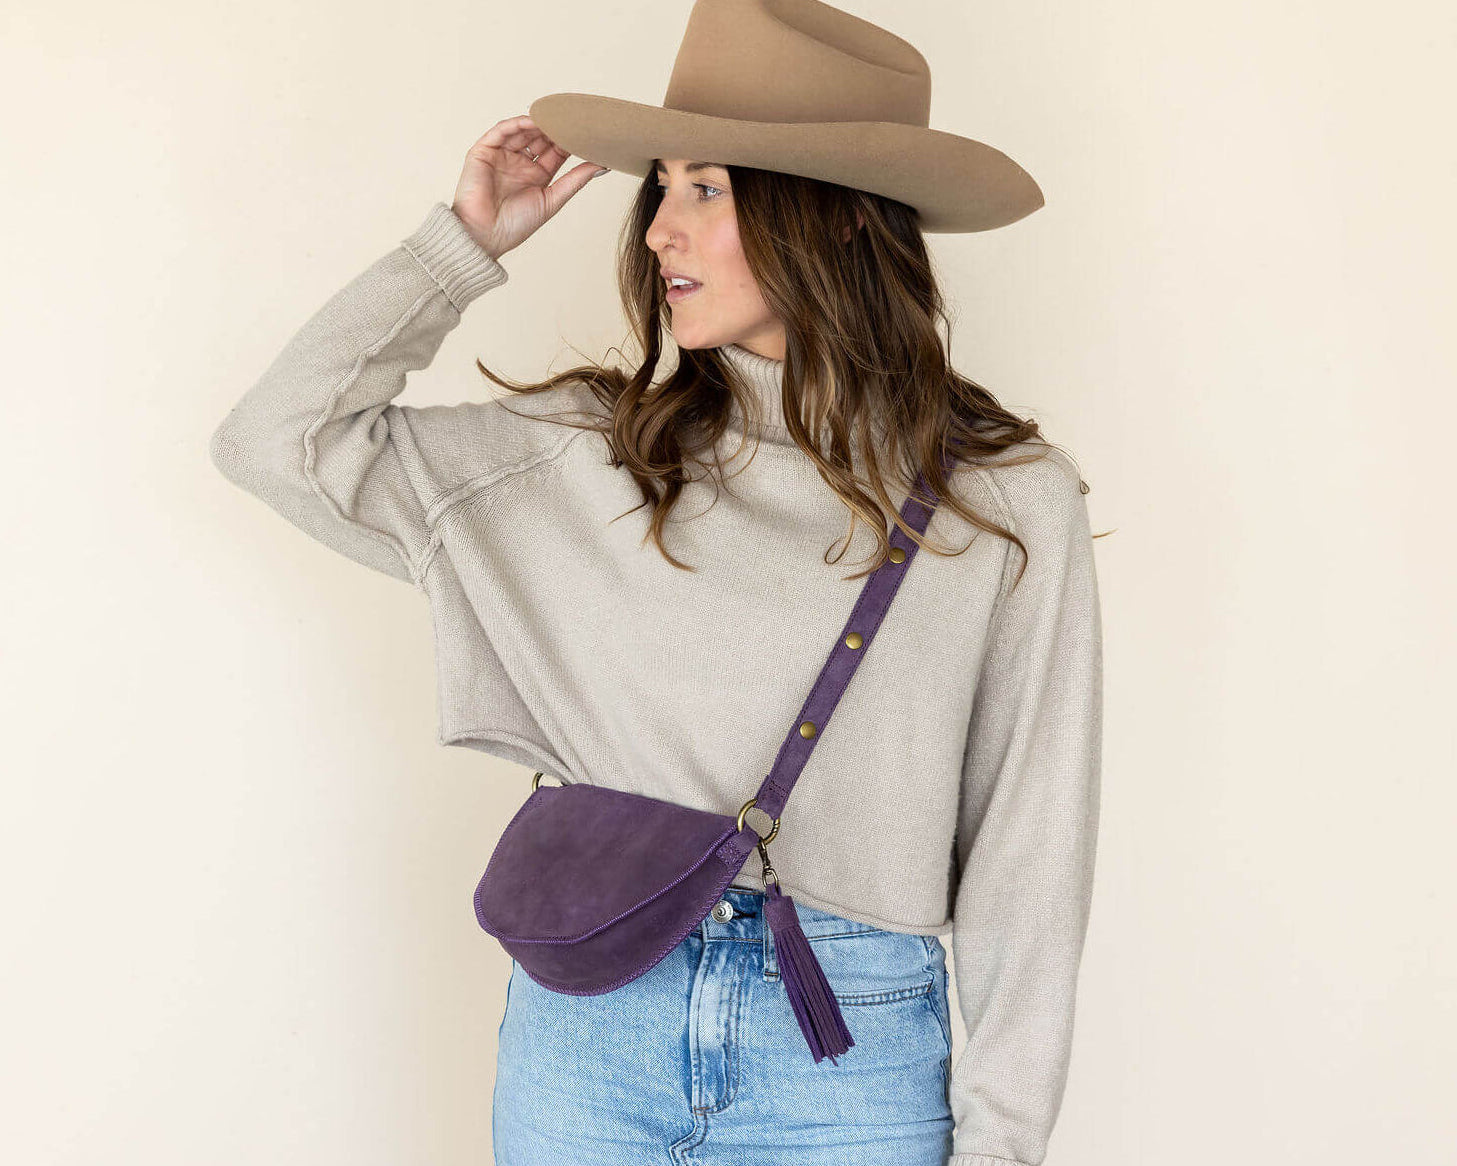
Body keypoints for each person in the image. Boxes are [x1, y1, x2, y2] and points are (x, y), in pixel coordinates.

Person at [208, 4, 1103, 1164]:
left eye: (707, 190)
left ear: (829, 221)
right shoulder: (583, 450)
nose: (656, 233)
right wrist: (460, 246)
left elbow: (1032, 856)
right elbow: (272, 442)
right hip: (589, 1032)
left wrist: (1001, 1146)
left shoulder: (1003, 502)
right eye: (661, 188)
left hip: (848, 1051)